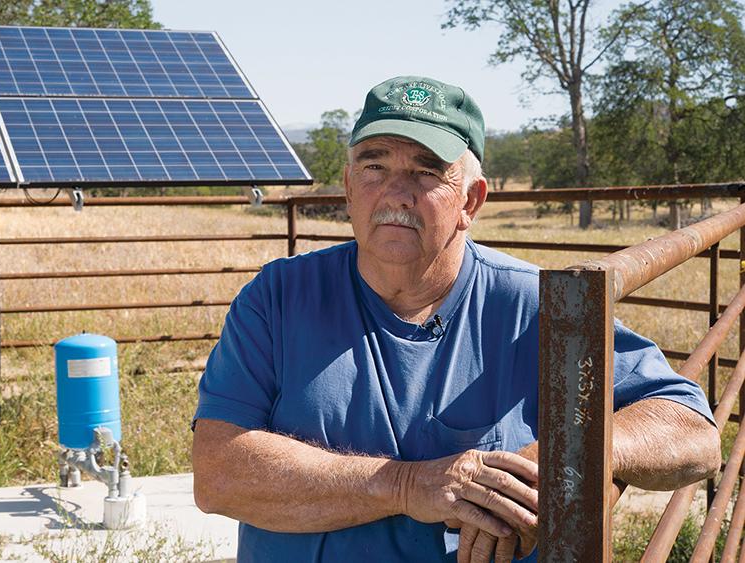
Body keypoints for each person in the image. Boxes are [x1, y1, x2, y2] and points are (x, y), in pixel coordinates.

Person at [191, 75, 721, 563]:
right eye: (375, 166)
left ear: (471, 199)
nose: (396, 193)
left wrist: (558, 456)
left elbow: (693, 431)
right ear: (349, 186)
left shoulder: (536, 307)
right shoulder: (278, 297)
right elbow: (218, 474)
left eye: (426, 171)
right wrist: (406, 485)